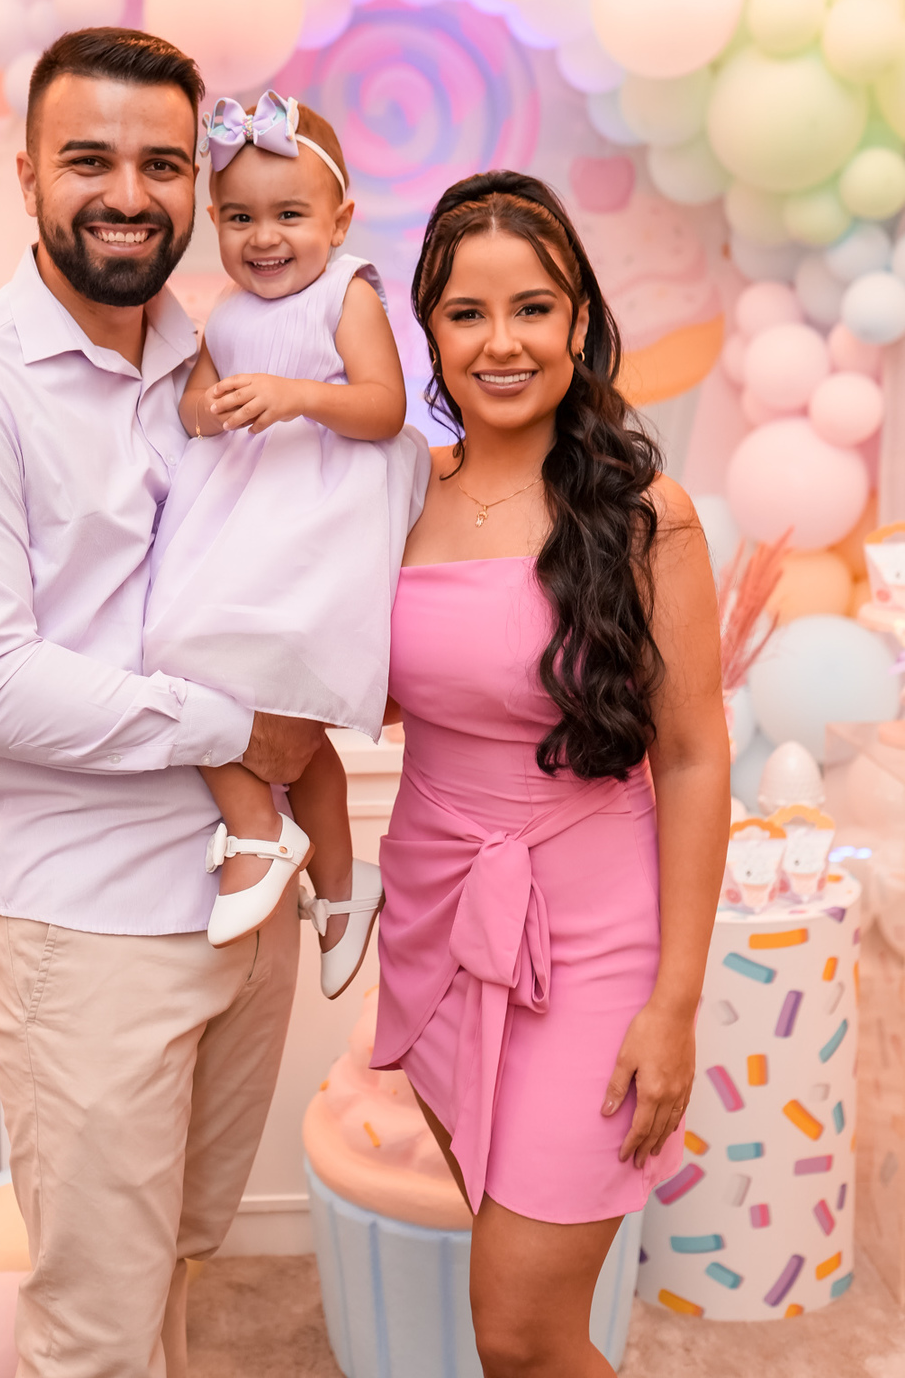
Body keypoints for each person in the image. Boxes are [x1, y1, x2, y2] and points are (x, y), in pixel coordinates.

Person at [0, 27, 323, 1378]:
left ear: (197, 181)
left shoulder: (214, 357)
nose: (128, 194)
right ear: (28, 177)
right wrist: (237, 730)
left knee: (170, 1265)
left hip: (242, 897)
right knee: (93, 1330)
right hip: (86, 924)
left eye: (162, 164)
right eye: (88, 160)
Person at [372, 172, 730, 1378]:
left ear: (580, 320)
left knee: (522, 1334)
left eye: (533, 307)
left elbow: (693, 757)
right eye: (467, 313)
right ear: (429, 330)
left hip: (595, 941)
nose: (503, 342)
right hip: (440, 926)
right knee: (514, 1300)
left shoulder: (646, 518)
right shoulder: (392, 498)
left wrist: (674, 1004)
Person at [142, 89, 427, 995]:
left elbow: (384, 407)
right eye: (239, 218)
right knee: (195, 670)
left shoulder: (347, 293)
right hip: (242, 521)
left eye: (290, 216)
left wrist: (297, 395)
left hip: (314, 526)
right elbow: (195, 401)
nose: (263, 238)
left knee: (260, 690)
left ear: (339, 221)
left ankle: (261, 836)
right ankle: (338, 879)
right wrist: (208, 405)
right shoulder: (224, 311)